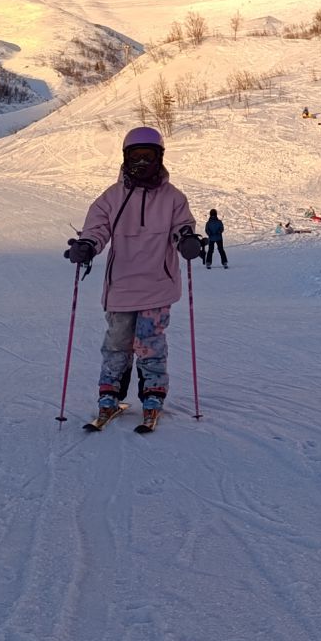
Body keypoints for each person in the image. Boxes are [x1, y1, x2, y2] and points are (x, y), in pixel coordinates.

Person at [63, 127, 200, 434]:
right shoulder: (111, 197)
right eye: (135, 156)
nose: (141, 163)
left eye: (148, 156)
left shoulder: (173, 198)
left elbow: (181, 227)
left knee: (150, 343)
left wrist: (187, 240)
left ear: (159, 158)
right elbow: (97, 228)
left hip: (157, 286)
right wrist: (87, 245)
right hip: (121, 287)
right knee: (116, 343)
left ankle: (153, 394)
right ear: (125, 158)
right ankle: (109, 395)